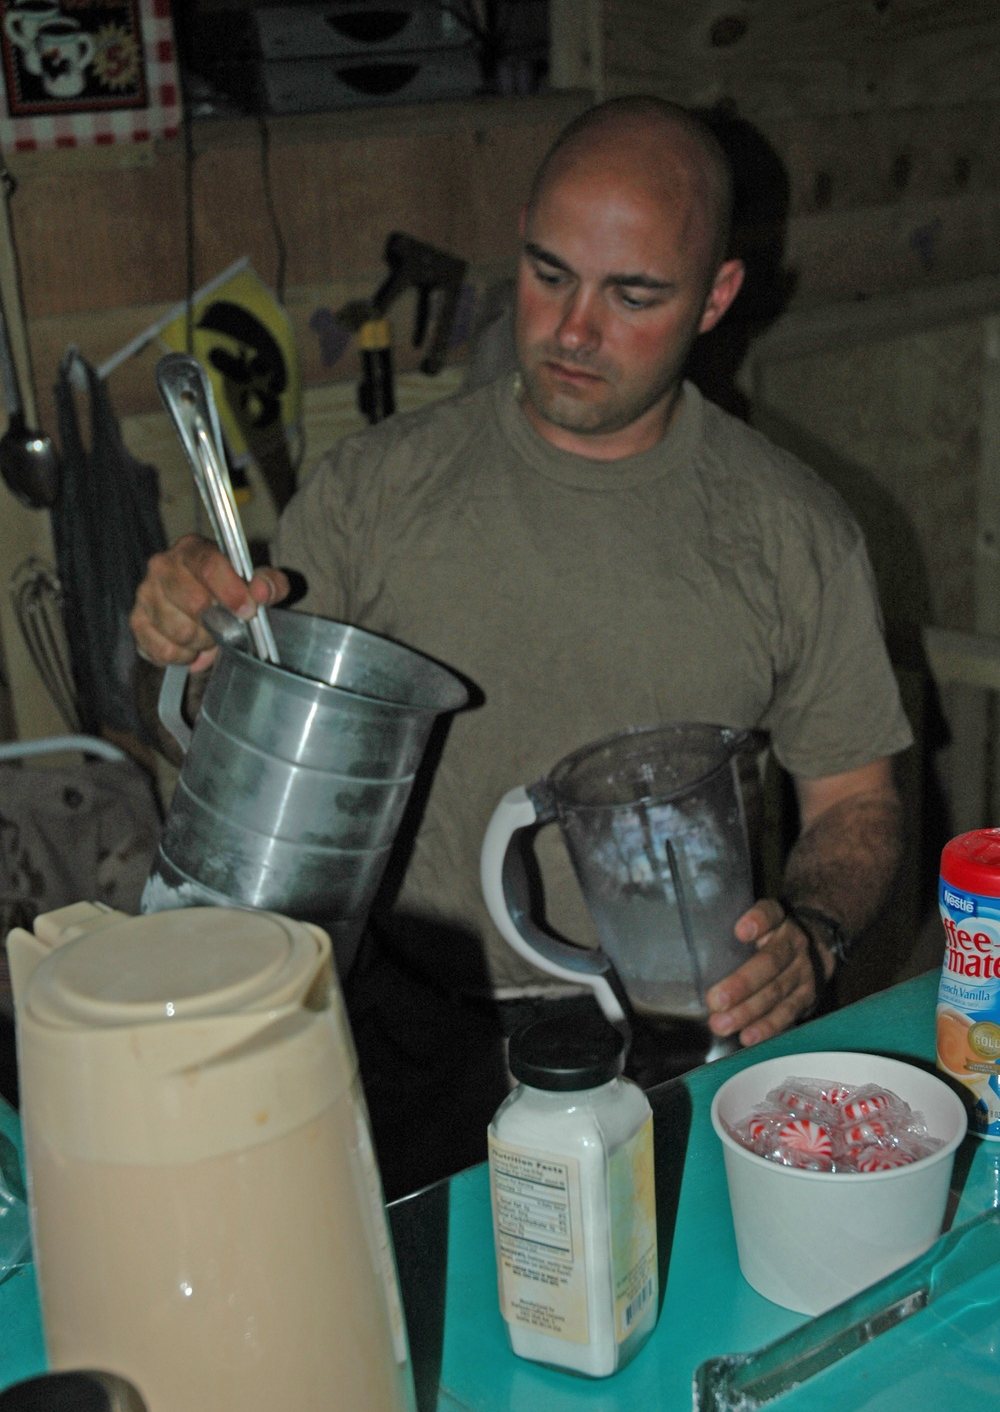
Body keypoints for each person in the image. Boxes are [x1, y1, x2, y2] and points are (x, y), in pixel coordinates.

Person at [131, 96, 910, 1195]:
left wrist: (815, 932)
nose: (573, 330)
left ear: (717, 296)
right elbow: (229, 758)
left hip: (666, 1054)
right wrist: (187, 644)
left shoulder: (793, 531)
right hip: (394, 1035)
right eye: (549, 274)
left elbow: (856, 804)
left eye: (633, 293)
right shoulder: (373, 491)